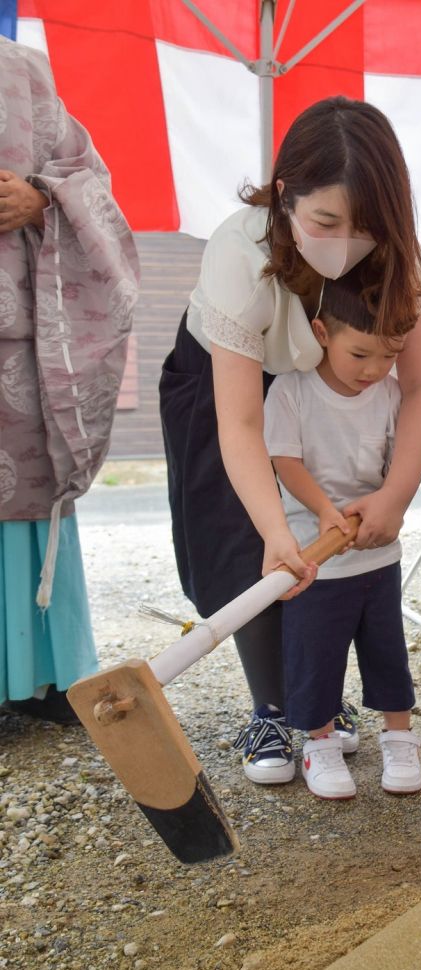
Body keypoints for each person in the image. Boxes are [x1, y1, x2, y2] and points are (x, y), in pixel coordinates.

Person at [159, 96, 421, 784]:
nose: (346, 241)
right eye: (324, 220)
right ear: (285, 195)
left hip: (340, 378)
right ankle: (274, 707)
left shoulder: (399, 254)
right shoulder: (240, 252)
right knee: (249, 547)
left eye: (365, 226)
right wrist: (272, 528)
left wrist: (395, 495)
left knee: (340, 535)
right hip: (230, 387)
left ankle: (317, 697)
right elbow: (242, 423)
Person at [0, 37, 140, 724]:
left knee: (31, 501)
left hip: (19, 342)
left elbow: (92, 182)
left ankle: (49, 675)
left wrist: (42, 200)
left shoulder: (20, 70)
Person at [264, 269, 421, 800]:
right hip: (317, 558)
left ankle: (399, 737)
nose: (374, 370)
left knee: (387, 650)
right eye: (360, 355)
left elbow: (403, 462)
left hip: (378, 555)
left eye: (389, 355)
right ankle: (320, 745)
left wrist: (389, 506)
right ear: (322, 333)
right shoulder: (291, 390)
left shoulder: (395, 395)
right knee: (316, 654)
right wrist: (324, 510)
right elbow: (284, 459)